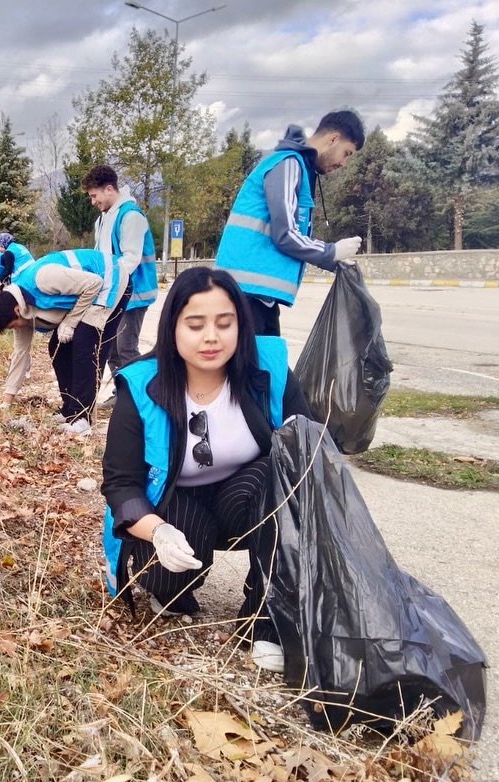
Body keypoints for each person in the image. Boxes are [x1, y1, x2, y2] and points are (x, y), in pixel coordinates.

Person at [100, 266, 312, 673]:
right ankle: (174, 588)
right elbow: (121, 484)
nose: (211, 337)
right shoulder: (141, 385)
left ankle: (265, 619)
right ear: (172, 328)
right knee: (169, 580)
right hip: (173, 504)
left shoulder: (269, 369)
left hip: (244, 494)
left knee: (282, 475)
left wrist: (298, 441)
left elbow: (307, 448)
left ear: (241, 325)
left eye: (224, 323)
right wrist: (157, 532)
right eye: (195, 325)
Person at [214, 109, 366, 336]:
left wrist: (332, 261)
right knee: (262, 369)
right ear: (333, 139)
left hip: (256, 296)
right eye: (346, 153)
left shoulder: (300, 169)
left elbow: (292, 235)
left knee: (270, 367)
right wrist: (331, 251)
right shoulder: (288, 165)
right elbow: (285, 235)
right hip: (243, 296)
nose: (343, 163)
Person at [0, 248, 122, 433]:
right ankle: (69, 411)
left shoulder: (42, 278)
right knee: (57, 346)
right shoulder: (20, 310)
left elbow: (94, 283)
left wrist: (70, 323)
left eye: (13, 326)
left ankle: (81, 418)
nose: (16, 329)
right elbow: (20, 355)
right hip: (91, 291)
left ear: (17, 310)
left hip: (110, 278)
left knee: (84, 344)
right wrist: (6, 402)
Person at [81, 165, 159, 406]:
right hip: (114, 293)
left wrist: (107, 281)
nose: (93, 201)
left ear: (109, 189)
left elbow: (130, 258)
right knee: (113, 349)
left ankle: (139, 399)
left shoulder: (130, 216)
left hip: (133, 295)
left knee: (125, 348)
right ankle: (123, 394)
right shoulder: (104, 218)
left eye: (95, 196)